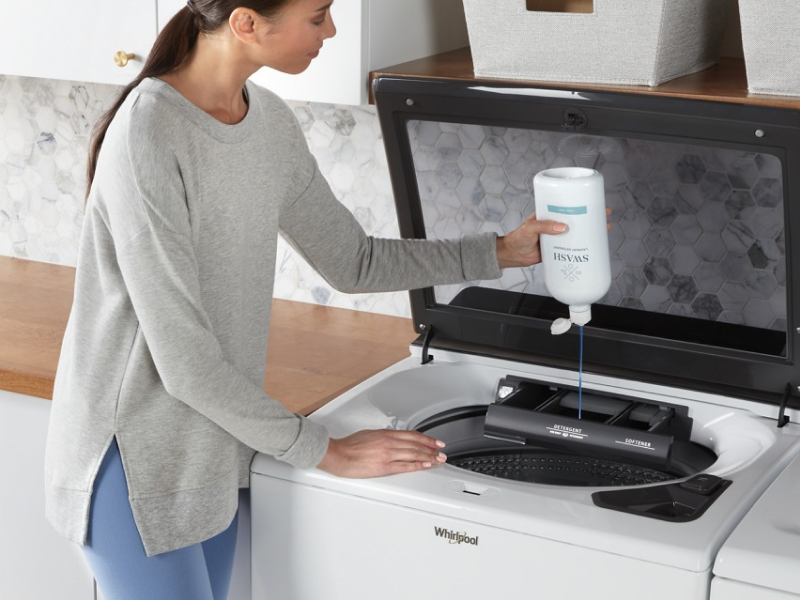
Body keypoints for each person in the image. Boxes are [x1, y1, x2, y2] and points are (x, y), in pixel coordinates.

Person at [43, 0, 567, 598]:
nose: (332, 30)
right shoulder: (149, 132)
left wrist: (501, 251)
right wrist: (326, 452)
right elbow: (185, 364)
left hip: (215, 447)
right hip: (135, 461)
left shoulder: (266, 121)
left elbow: (354, 260)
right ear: (245, 23)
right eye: (317, 16)